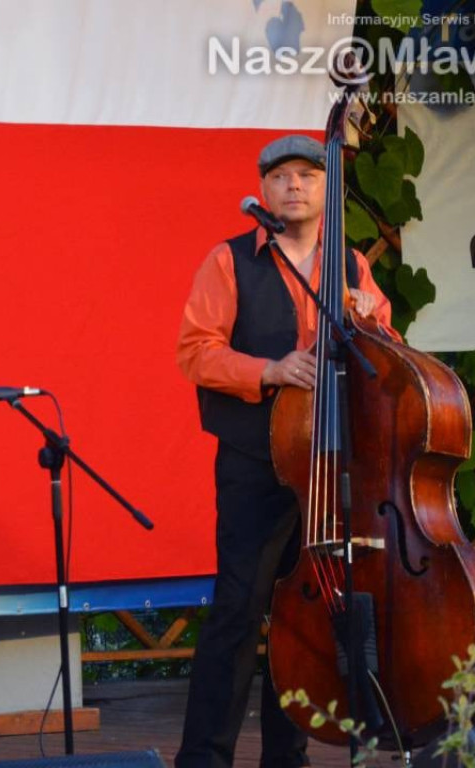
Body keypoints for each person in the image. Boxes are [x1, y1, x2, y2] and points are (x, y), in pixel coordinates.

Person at [174, 134, 401, 768]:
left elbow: (388, 351)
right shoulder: (229, 260)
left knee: (306, 614)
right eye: (280, 177)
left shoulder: (350, 265)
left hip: (330, 463)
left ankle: (288, 757)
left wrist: (369, 321)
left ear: (327, 189)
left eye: (307, 175)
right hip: (256, 462)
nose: (294, 186)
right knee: (238, 609)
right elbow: (195, 352)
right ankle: (203, 758)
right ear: (263, 189)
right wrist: (270, 370)